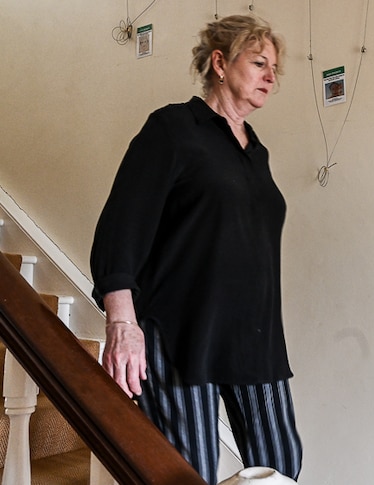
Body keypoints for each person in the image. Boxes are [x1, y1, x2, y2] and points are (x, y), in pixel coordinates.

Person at [90, 15, 301, 484]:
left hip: (255, 334)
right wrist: (122, 324)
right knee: (186, 473)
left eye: (275, 68)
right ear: (220, 63)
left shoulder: (255, 151)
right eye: (260, 62)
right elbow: (120, 229)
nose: (271, 76)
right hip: (181, 330)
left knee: (281, 466)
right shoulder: (172, 129)